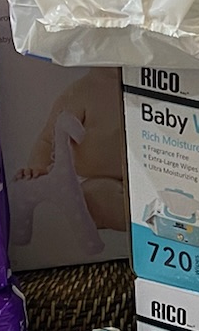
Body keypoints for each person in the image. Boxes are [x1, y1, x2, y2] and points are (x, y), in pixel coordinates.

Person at [18, 71, 129, 233]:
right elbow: (48, 139)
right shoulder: (81, 92)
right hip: (91, 180)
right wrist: (38, 167)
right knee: (99, 194)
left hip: (141, 179)